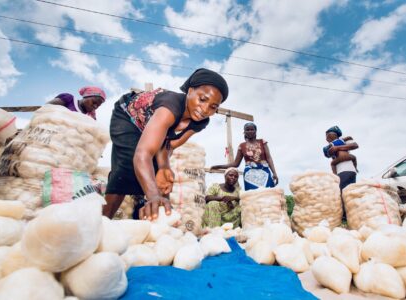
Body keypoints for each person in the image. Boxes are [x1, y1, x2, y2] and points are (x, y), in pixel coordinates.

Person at [103, 68, 229, 221]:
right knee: (127, 168)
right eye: (202, 99)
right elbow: (143, 154)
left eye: (213, 107)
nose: (205, 109)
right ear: (190, 91)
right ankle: (103, 222)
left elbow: (169, 143)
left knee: (161, 175)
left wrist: (163, 167)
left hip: (150, 128)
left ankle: (160, 223)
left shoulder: (201, 122)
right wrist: (153, 196)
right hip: (128, 118)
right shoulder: (170, 107)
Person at [211, 122, 278, 190]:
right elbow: (235, 164)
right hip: (250, 175)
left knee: (269, 193)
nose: (250, 131)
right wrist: (219, 166)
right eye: (247, 130)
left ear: (256, 131)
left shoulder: (262, 142)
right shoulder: (242, 146)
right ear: (244, 132)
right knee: (252, 196)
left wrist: (274, 173)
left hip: (265, 171)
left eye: (252, 129)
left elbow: (269, 158)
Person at [325, 126, 359, 191]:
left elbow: (355, 145)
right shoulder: (330, 145)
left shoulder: (343, 141)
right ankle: (335, 176)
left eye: (328, 135)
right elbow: (329, 153)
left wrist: (337, 148)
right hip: (340, 171)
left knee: (345, 191)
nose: (326, 138)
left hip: (346, 169)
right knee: (343, 191)